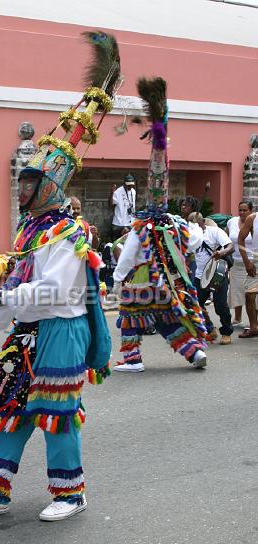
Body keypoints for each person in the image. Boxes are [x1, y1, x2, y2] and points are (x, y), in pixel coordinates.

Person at [0, 30, 116, 521]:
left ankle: (70, 494)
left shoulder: (65, 230)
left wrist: (1, 298)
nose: (22, 189)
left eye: (30, 183)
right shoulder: (34, 229)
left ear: (49, 186)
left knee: (56, 414)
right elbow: (26, 288)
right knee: (11, 405)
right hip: (30, 330)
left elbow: (53, 290)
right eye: (21, 182)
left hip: (60, 330)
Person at [113, 76, 207, 373]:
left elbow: (128, 254)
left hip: (144, 281)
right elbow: (194, 241)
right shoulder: (177, 224)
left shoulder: (142, 227)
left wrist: (117, 279)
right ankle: (194, 352)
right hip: (173, 282)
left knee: (130, 318)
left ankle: (132, 359)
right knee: (168, 319)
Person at [194, 213, 234, 345]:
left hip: (218, 273)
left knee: (220, 305)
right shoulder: (190, 235)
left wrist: (221, 253)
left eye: (197, 223)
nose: (195, 227)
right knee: (195, 305)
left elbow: (230, 246)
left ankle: (226, 332)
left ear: (203, 221)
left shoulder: (215, 231)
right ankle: (210, 328)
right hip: (200, 276)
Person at [225, 201, 254, 327]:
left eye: (245, 210)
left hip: (252, 263)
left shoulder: (254, 222)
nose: (242, 212)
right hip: (235, 262)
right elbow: (226, 239)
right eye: (240, 210)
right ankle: (237, 318)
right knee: (236, 290)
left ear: (251, 211)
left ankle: (253, 322)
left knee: (252, 293)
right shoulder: (231, 222)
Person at [238, 209, 258, 338]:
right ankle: (253, 327)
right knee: (249, 295)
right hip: (256, 261)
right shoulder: (253, 218)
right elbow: (240, 239)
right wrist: (247, 262)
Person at [109, 174, 136, 239]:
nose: (130, 186)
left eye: (131, 184)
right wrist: (112, 193)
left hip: (130, 222)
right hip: (119, 223)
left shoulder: (133, 191)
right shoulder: (118, 191)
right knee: (118, 242)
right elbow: (111, 204)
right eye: (128, 184)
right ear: (124, 183)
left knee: (129, 242)